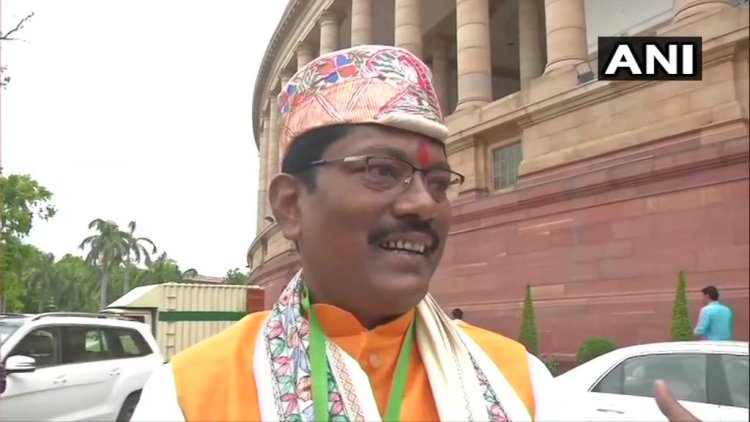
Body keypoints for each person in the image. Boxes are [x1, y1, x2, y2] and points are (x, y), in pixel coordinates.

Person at [131, 45, 701, 422]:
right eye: (381, 170)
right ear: (290, 205)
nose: (423, 204)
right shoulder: (190, 396)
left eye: (438, 181)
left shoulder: (520, 381)